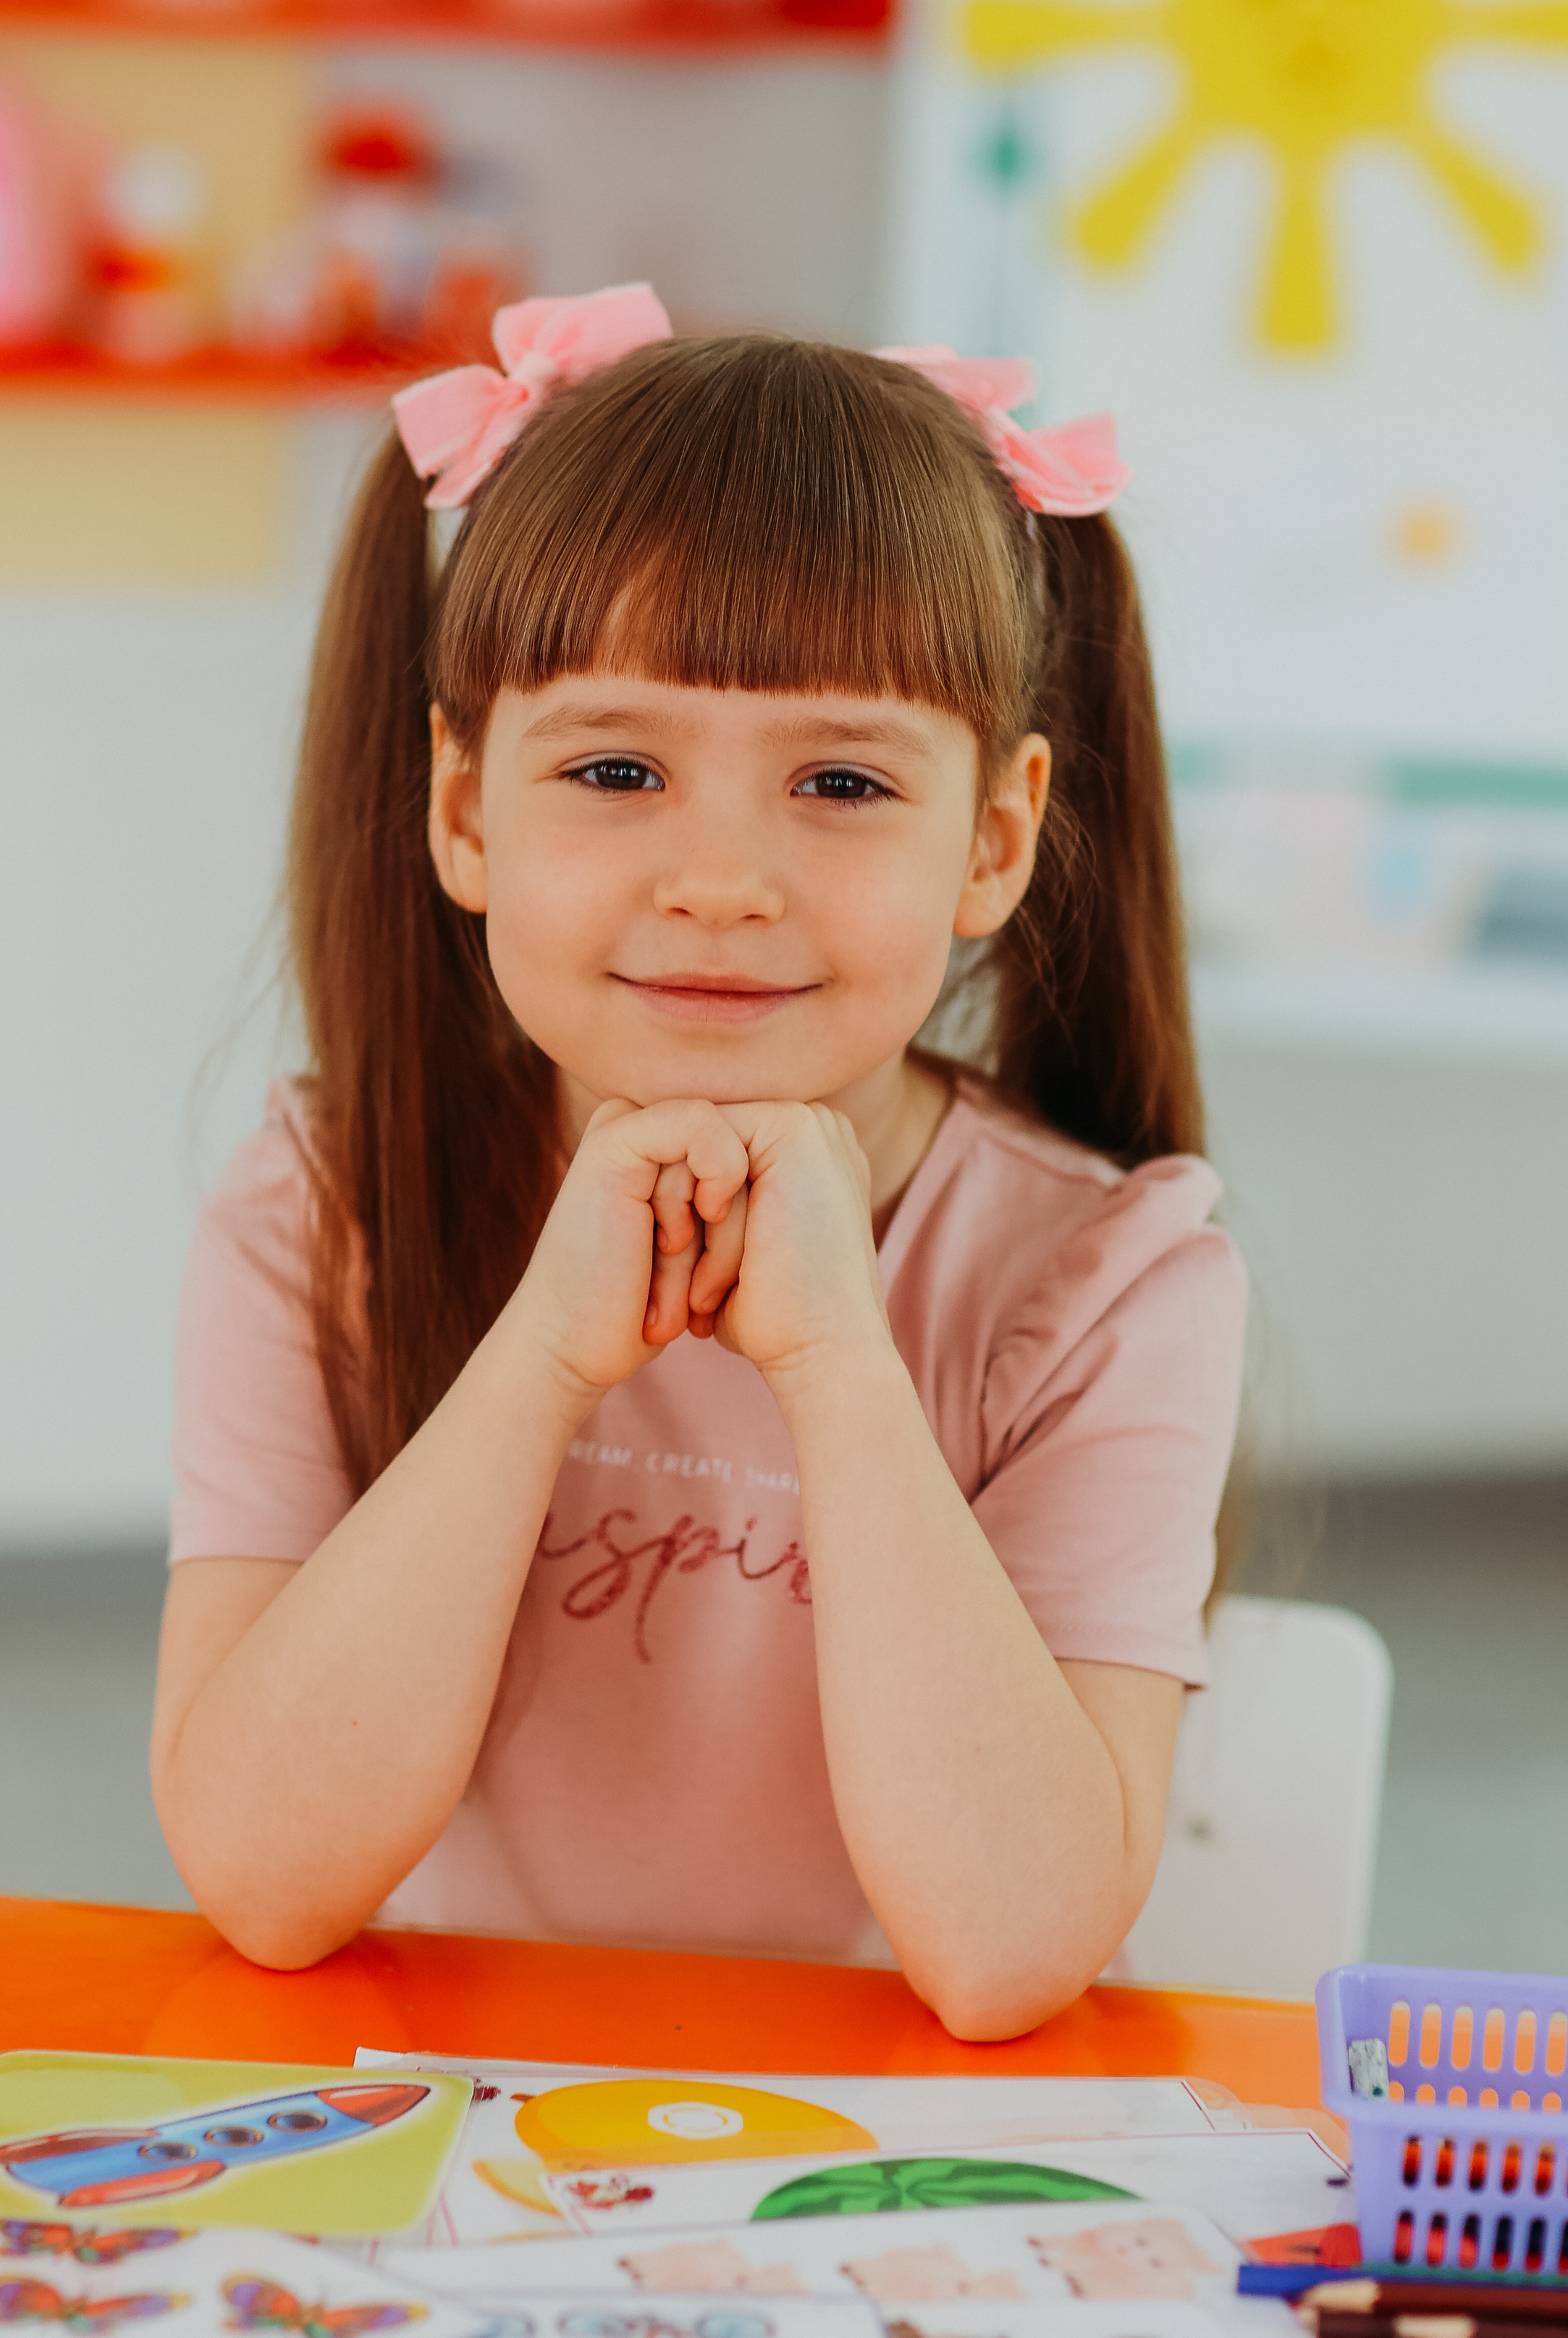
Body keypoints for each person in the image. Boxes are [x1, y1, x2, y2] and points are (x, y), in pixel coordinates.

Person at [151, 285, 1244, 2039]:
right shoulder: (324, 1208)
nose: (720, 878)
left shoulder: (1112, 1276)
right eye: (611, 765)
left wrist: (832, 1360)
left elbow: (1006, 1953)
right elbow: (267, 1885)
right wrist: (538, 1361)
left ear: (994, 838)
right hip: (446, 2147)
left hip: (881, 2173)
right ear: (461, 812)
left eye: (836, 783)